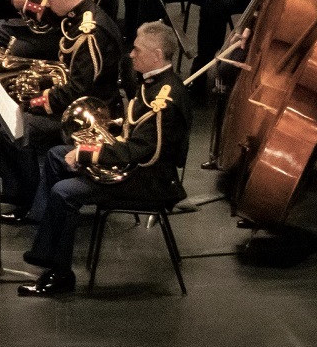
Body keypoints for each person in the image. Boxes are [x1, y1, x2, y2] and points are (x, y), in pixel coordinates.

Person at [19, 19, 190, 296]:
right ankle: (46, 244)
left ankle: (61, 275)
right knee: (56, 156)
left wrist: (89, 153)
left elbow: (143, 152)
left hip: (149, 179)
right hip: (134, 165)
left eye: (137, 50)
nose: (131, 54)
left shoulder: (165, 99)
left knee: (64, 192)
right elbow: (134, 134)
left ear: (157, 56)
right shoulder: (150, 81)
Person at [0, 0, 127, 220]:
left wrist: (36, 102)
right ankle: (23, 195)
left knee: (17, 131)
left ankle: (28, 201)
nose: (46, 2)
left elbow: (80, 88)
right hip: (76, 102)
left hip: (91, 115)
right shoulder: (77, 14)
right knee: (12, 124)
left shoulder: (91, 32)